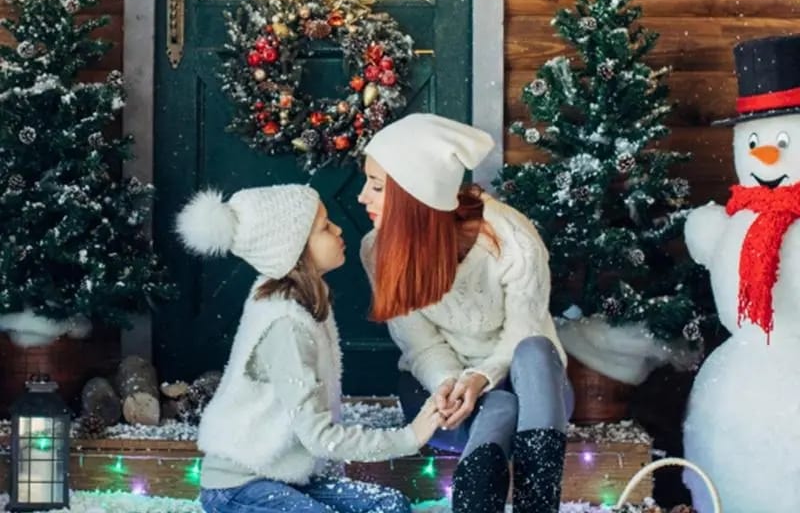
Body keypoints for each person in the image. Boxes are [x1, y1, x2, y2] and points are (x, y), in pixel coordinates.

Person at [176, 184, 442, 513]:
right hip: (240, 486)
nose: (339, 230)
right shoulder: (285, 325)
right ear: (294, 249)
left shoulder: (306, 303)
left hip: (286, 476)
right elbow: (319, 436)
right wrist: (410, 437)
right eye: (325, 228)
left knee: (389, 505)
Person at [358, 113, 572, 513]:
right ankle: (477, 499)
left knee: (535, 352)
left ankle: (537, 503)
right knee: (499, 407)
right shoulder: (377, 250)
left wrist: (481, 377)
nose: (361, 197)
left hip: (532, 393)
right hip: (439, 394)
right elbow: (420, 345)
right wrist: (453, 385)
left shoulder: (511, 238)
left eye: (376, 186)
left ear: (414, 195)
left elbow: (522, 333)